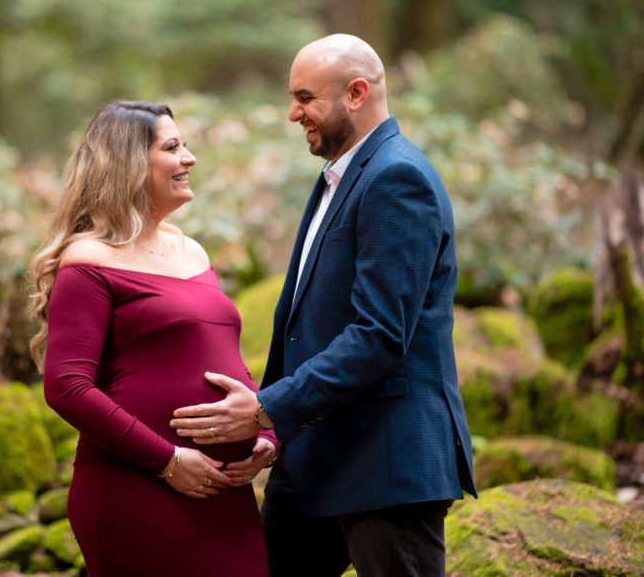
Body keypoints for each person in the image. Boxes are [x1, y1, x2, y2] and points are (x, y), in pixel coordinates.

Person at [170, 35, 477, 576]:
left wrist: (268, 409)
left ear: (356, 93)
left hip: (386, 462)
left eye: (306, 98)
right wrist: (275, 434)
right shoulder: (340, 175)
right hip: (315, 453)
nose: (294, 113)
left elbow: (378, 333)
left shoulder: (396, 178)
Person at [28, 101, 278, 577]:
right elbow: (67, 387)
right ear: (126, 164)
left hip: (223, 494)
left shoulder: (192, 250)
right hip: (136, 487)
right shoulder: (89, 259)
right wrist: (166, 461)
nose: (190, 158)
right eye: (173, 147)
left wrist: (263, 435)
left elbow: (225, 362)